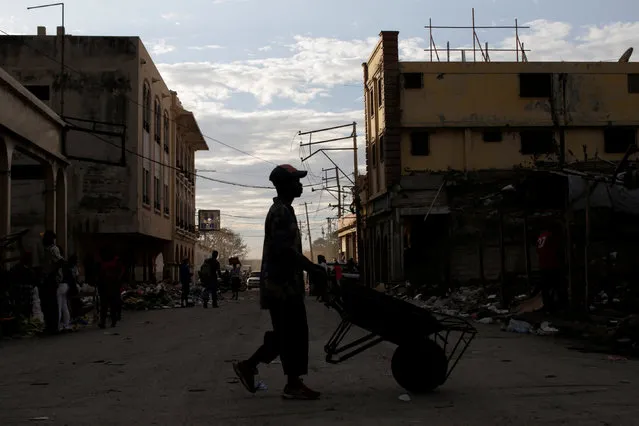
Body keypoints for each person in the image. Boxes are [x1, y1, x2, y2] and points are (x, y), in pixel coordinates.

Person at [233, 164, 327, 400]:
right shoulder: (280, 213)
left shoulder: (285, 210)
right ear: (285, 185)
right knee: (291, 334)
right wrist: (312, 268)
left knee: (288, 334)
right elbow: (284, 250)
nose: (300, 184)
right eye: (296, 181)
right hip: (281, 287)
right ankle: (289, 383)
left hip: (286, 285)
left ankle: (254, 367)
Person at [40, 231, 64, 334]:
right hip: (46, 278)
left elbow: (60, 261)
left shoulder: (54, 249)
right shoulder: (46, 249)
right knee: (45, 303)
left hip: (52, 279)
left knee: (52, 303)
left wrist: (51, 273)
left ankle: (53, 327)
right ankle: (49, 325)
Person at [97, 247, 124, 328]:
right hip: (107, 285)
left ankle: (111, 321)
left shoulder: (115, 260)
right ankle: (106, 322)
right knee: (107, 305)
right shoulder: (104, 261)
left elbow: (121, 271)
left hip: (111, 285)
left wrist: (117, 280)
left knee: (110, 305)